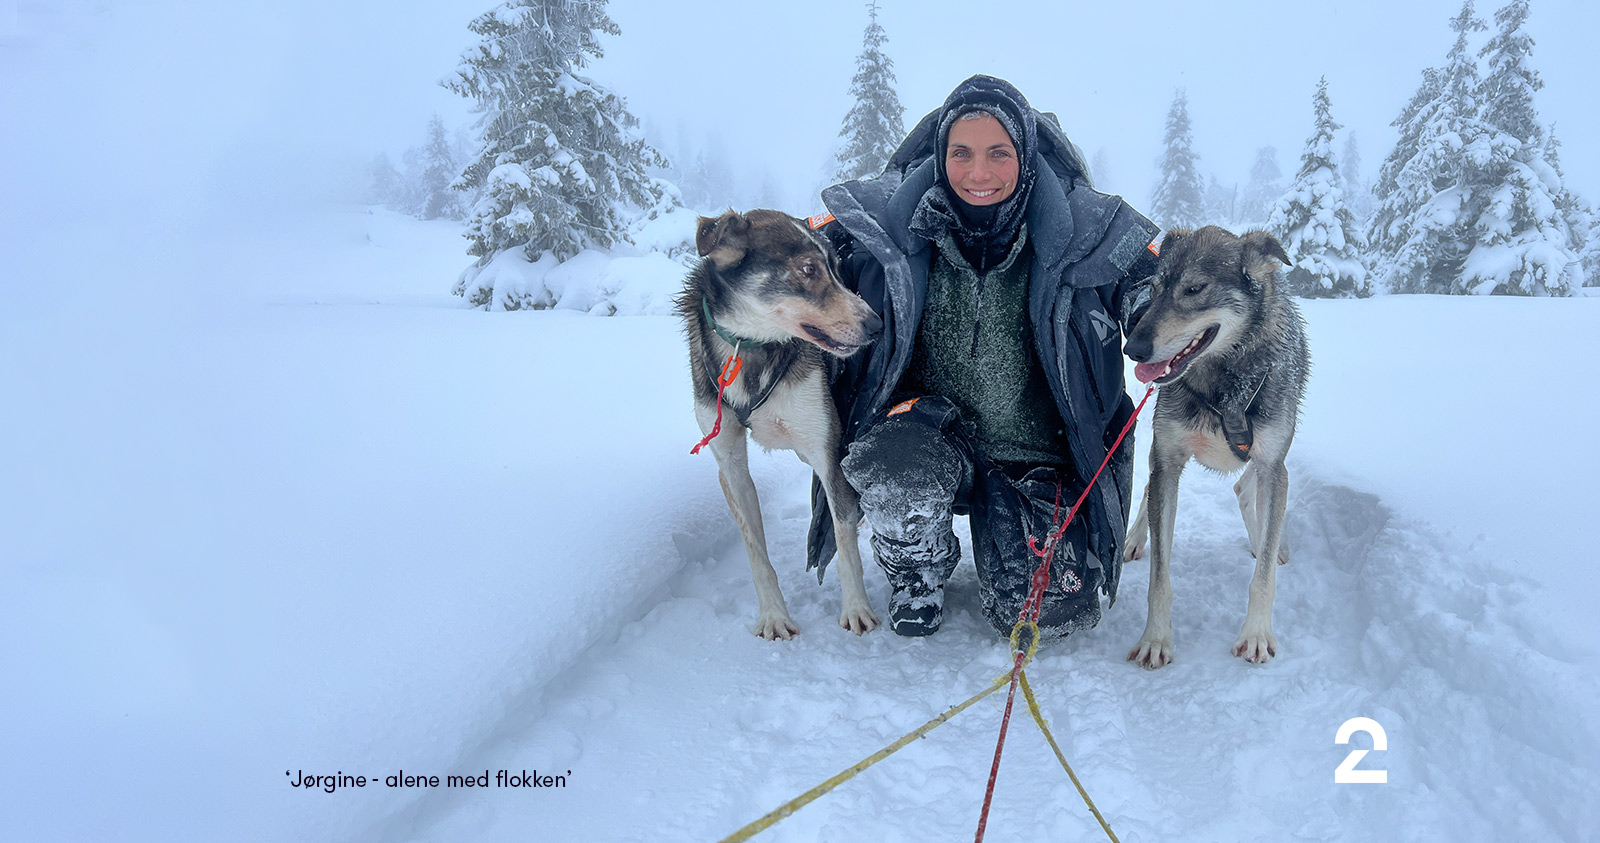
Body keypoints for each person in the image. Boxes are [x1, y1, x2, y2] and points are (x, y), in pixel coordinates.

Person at [805, 75, 1159, 640]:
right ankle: (917, 570)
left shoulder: (1092, 232)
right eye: (961, 153)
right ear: (941, 155)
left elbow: (1163, 289)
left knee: (1042, 614)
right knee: (891, 462)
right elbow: (797, 262)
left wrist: (1171, 328)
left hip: (1043, 456)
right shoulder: (879, 228)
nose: (979, 173)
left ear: (1025, 154)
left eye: (999, 154)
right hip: (926, 435)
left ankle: (1026, 535)